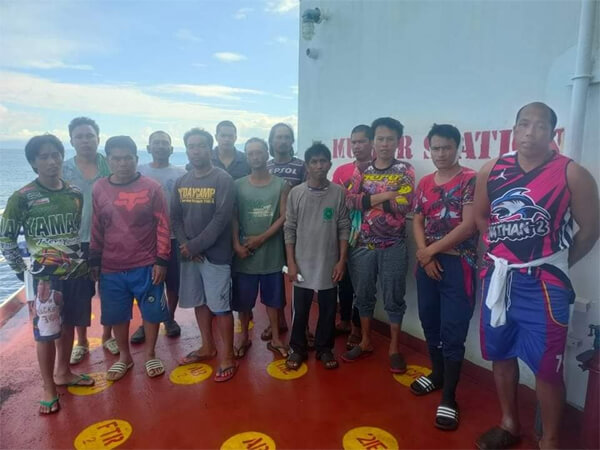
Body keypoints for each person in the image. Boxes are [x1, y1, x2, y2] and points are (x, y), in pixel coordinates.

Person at [473, 102, 599, 449]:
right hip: (500, 280)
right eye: (523, 125)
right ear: (514, 130)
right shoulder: (492, 170)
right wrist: (498, 255)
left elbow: (590, 230)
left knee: (548, 368)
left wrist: (557, 262)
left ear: (552, 132)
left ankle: (551, 440)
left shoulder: (571, 173)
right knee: (500, 354)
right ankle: (509, 424)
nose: (530, 133)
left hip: (544, 286)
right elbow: (482, 217)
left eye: (540, 126)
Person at [0, 134, 95, 415]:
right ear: (32, 162)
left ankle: (63, 372)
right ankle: (48, 387)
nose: (52, 161)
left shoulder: (75, 193)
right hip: (44, 278)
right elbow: (6, 238)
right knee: (45, 333)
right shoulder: (22, 198)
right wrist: (21, 272)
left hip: (77, 272)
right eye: (44, 156)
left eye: (56, 155)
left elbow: (75, 232)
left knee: (69, 326)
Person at [411, 124, 478, 431]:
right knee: (430, 322)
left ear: (458, 147)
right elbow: (418, 220)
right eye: (435, 148)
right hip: (428, 265)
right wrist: (425, 254)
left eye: (446, 147)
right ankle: (436, 375)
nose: (440, 153)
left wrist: (430, 251)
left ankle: (449, 397)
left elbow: (468, 226)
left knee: (453, 331)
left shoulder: (469, 180)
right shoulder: (424, 182)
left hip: (457, 265)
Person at [90, 136, 171, 381]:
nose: (123, 163)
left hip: (146, 264)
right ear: (109, 160)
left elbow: (163, 225)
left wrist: (162, 260)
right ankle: (124, 356)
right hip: (111, 266)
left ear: (136, 159)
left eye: (128, 158)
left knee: (151, 312)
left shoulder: (152, 187)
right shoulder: (99, 188)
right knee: (116, 314)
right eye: (117, 158)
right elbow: (96, 225)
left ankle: (150, 353)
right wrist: (94, 259)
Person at [342, 117, 415, 374]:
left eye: (390, 139)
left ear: (399, 142)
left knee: (394, 297)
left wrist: (368, 200)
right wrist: (386, 195)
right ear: (374, 141)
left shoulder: (406, 170)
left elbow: (405, 205)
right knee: (363, 296)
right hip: (362, 245)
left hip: (393, 245)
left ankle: (394, 347)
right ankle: (365, 341)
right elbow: (350, 201)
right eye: (380, 139)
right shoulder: (362, 170)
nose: (385, 144)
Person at [172, 128, 237, 382]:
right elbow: (175, 218)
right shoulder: (181, 181)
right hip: (190, 256)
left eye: (201, 145)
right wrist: (187, 245)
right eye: (191, 146)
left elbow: (221, 219)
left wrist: (195, 246)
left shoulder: (223, 179)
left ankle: (228, 356)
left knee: (220, 307)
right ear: (186, 149)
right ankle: (208, 346)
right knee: (200, 302)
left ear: (210, 149)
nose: (196, 150)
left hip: (216, 257)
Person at [284, 143, 350, 370]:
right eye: (314, 161)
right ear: (307, 165)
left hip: (329, 263)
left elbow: (343, 227)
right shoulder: (296, 193)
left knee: (328, 310)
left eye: (323, 161)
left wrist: (342, 260)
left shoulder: (338, 193)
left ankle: (324, 348)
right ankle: (297, 348)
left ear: (330, 164)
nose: (319, 166)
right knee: (300, 311)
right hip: (302, 263)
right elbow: (289, 229)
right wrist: (291, 262)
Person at [63, 117, 116, 363]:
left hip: (109, 238)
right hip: (74, 241)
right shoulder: (63, 170)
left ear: (98, 137)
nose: (85, 140)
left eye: (90, 136)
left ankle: (108, 335)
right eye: (80, 136)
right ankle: (81, 341)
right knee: (79, 292)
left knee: (110, 289)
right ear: (72, 140)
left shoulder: (111, 166)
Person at [232, 138, 290, 359]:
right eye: (250, 153)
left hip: (271, 254)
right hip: (245, 256)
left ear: (267, 153)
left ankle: (276, 338)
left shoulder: (281, 184)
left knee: (274, 302)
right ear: (246, 157)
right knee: (243, 302)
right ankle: (243, 338)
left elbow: (284, 216)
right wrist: (237, 244)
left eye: (259, 152)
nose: (255, 157)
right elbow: (233, 218)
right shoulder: (237, 185)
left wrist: (261, 238)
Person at [129, 131, 186, 343]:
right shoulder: (139, 172)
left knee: (173, 283)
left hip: (173, 237)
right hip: (145, 240)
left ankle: (169, 318)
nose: (161, 146)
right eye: (156, 143)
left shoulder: (181, 173)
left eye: (165, 143)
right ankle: (147, 323)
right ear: (148, 148)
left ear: (171, 149)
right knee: (147, 284)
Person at [331, 124, 373, 349]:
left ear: (372, 142)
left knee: (363, 286)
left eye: (362, 141)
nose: (357, 146)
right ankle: (345, 320)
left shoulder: (380, 171)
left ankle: (358, 326)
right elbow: (336, 204)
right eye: (354, 142)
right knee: (344, 282)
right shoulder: (341, 171)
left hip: (370, 237)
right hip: (345, 235)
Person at [263, 123, 305, 342]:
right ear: (271, 141)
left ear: (292, 141)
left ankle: (302, 323)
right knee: (274, 279)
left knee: (299, 277)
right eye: (278, 137)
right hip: (271, 232)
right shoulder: (265, 166)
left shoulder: (301, 166)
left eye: (287, 137)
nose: (282, 141)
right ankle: (277, 321)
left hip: (298, 231)